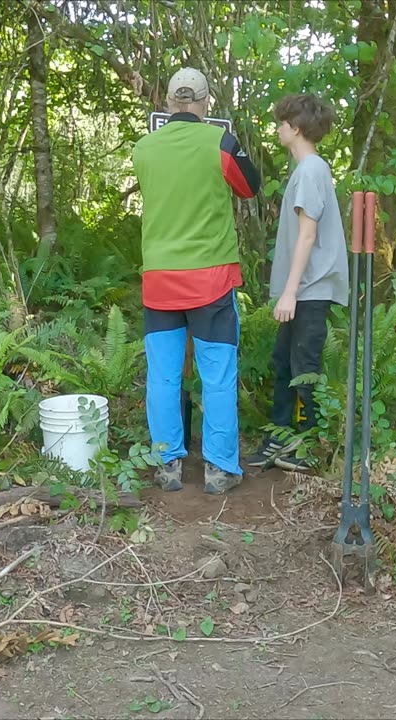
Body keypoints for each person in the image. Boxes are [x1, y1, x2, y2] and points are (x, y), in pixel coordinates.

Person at [131, 67, 261, 495]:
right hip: (211, 280)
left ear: (168, 103)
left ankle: (166, 464)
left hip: (160, 281)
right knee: (218, 374)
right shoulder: (219, 142)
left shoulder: (144, 148)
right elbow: (249, 187)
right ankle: (220, 468)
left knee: (163, 375)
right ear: (206, 104)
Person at [249, 93, 346, 472]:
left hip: (309, 289)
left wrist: (290, 293)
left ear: (297, 128)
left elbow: (308, 235)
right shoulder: (307, 170)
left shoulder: (310, 170)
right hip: (304, 289)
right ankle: (280, 439)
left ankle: (309, 448)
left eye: (281, 122)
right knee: (284, 363)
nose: (277, 128)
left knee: (305, 367)